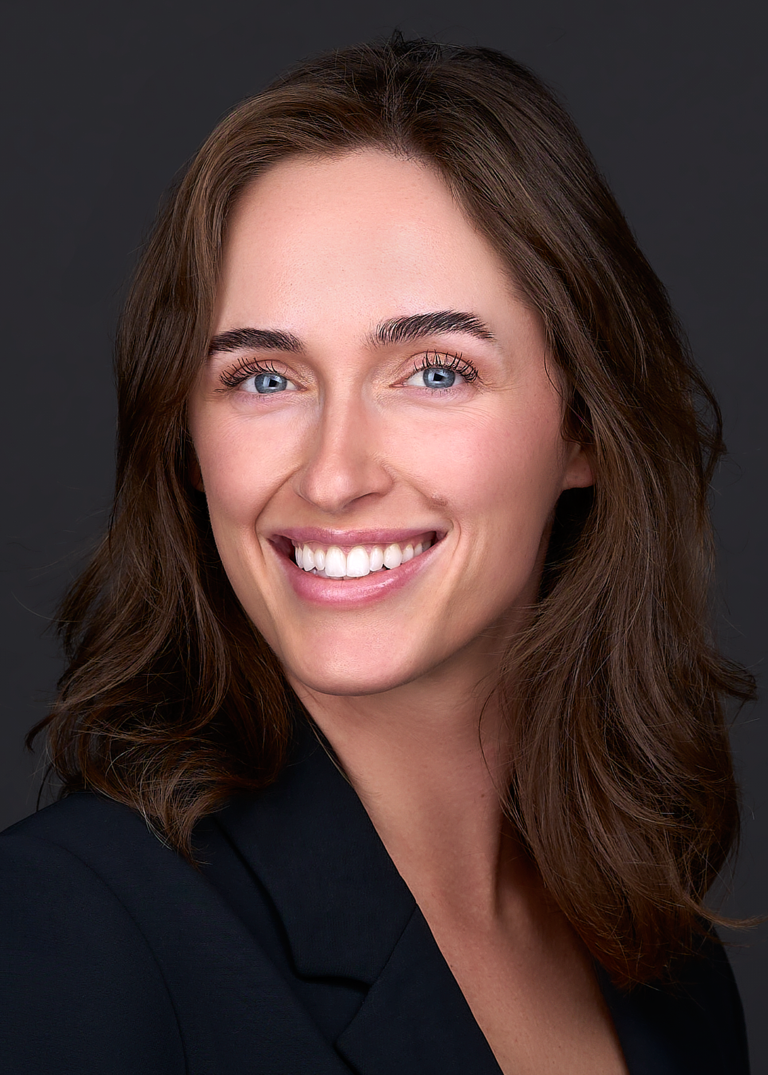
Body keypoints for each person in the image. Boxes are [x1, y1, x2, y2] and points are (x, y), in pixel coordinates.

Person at [0, 33, 755, 1074]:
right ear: (187, 439)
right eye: (265, 378)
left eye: (435, 371)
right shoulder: (67, 930)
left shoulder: (668, 966)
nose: (334, 474)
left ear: (584, 426)